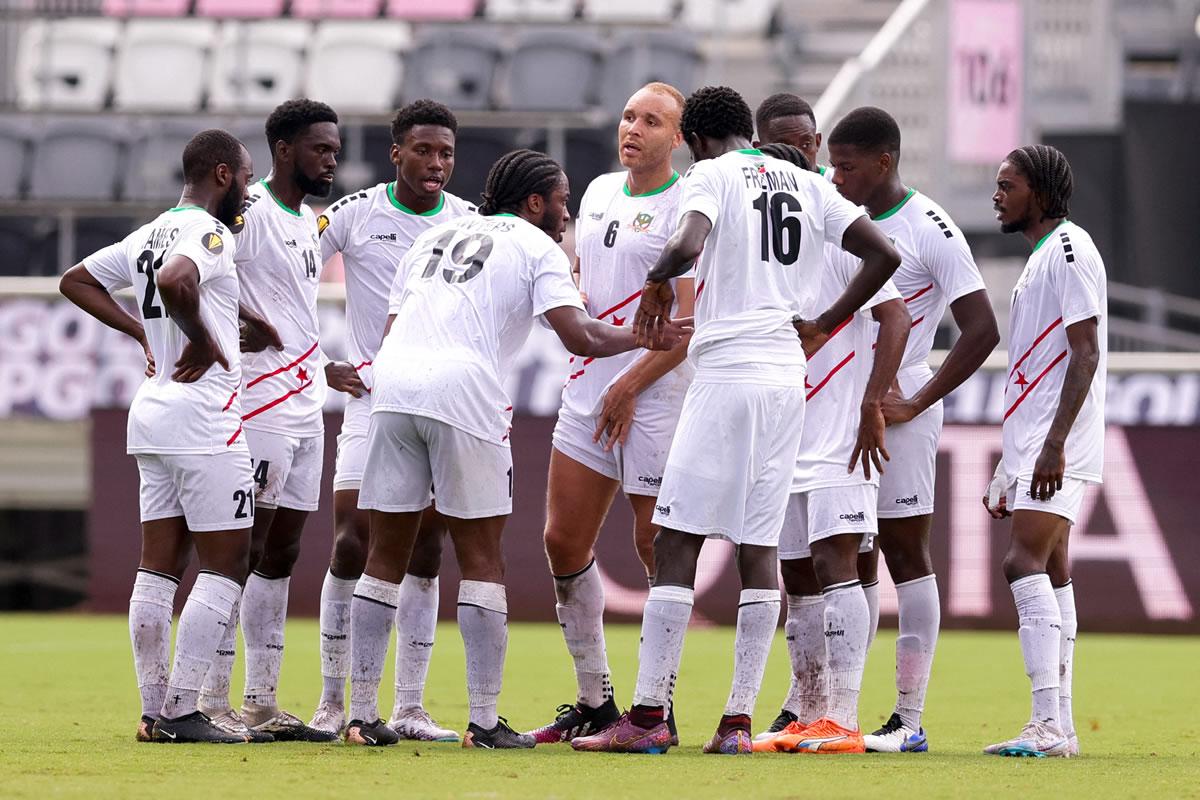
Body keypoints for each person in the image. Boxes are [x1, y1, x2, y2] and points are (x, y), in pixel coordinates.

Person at [570, 86, 901, 756]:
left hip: (725, 370)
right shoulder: (805, 183)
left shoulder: (711, 176)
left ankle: (649, 716)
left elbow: (687, 241)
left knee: (675, 540)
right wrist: (828, 320)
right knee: (758, 548)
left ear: (692, 137)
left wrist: (659, 281)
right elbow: (885, 256)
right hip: (786, 378)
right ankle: (737, 723)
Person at [342, 149, 690, 748]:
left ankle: (362, 716)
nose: (566, 215)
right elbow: (578, 335)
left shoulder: (435, 237)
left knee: (384, 555)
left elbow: (393, 333)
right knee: (482, 558)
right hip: (463, 393)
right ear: (534, 203)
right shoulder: (536, 247)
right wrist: (642, 334)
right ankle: (483, 722)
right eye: (560, 202)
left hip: (392, 388)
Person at [59, 129, 256, 743]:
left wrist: (141, 335)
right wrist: (199, 337)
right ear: (222, 174)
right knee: (228, 566)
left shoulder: (147, 232)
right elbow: (177, 282)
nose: (249, 190)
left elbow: (75, 280)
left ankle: (154, 711)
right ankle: (180, 710)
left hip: (152, 413)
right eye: (245, 177)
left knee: (160, 566)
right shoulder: (209, 232)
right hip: (204, 417)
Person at [824, 106, 999, 753]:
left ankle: (908, 718)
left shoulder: (931, 228)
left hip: (900, 409)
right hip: (838, 404)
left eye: (846, 166)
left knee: (902, 553)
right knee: (848, 553)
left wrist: (918, 399)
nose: (835, 176)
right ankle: (837, 711)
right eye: (831, 164)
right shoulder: (835, 214)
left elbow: (982, 328)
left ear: (884, 162)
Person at [528, 82, 694, 745]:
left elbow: (688, 324)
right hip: (586, 387)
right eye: (629, 115)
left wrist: (628, 385)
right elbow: (576, 276)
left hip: (654, 395)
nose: (635, 128)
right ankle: (596, 700)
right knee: (562, 541)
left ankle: (657, 709)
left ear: (676, 139)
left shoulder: (688, 205)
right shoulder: (596, 192)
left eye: (653, 121)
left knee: (655, 544)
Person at [308, 99, 475, 742]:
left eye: (447, 154)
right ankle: (332, 700)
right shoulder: (356, 214)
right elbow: (289, 272)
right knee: (352, 538)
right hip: (371, 397)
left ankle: (408, 706)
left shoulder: (468, 221)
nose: (436, 164)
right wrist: (319, 360)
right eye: (424, 151)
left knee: (427, 548)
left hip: (437, 400)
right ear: (396, 152)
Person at [748, 143, 911, 754]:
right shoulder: (763, 255)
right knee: (798, 575)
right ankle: (808, 711)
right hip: (785, 437)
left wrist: (872, 402)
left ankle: (842, 717)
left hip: (839, 436)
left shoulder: (838, 240)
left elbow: (897, 319)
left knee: (836, 566)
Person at [197, 99, 341, 743]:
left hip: (308, 402)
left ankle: (260, 700)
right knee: (243, 547)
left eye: (334, 148)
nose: (330, 159)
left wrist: (324, 363)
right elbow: (187, 267)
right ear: (284, 149)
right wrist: (229, 327)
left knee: (282, 552)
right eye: (319, 148)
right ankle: (209, 699)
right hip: (258, 405)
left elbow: (291, 311)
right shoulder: (245, 211)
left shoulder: (307, 218)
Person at [983, 144, 1104, 758]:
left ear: (1042, 192)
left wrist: (1054, 444)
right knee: (1054, 572)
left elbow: (1086, 352)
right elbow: (1036, 367)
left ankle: (1047, 723)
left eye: (1008, 185)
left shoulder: (1068, 250)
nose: (997, 195)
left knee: (1020, 564)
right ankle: (1062, 726)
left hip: (1059, 443)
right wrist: (1012, 460)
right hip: (1036, 443)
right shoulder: (1041, 258)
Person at [754, 93, 833, 180]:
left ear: (817, 142)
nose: (797, 155)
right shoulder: (750, 184)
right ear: (759, 149)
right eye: (783, 148)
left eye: (805, 145)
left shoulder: (838, 186)